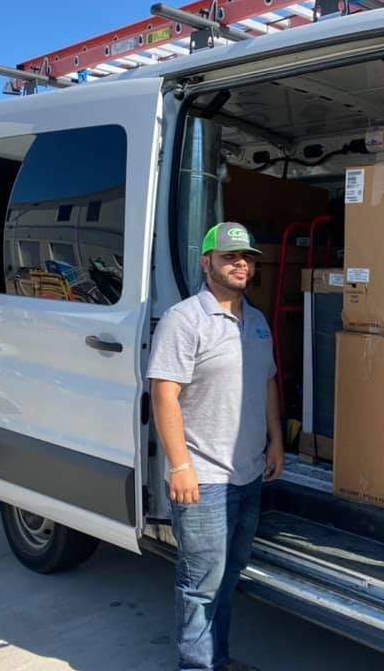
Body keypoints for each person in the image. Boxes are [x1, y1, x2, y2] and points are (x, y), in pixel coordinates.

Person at [147, 221, 284, 671]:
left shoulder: (258, 322)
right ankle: (198, 666)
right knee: (200, 585)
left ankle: (217, 659)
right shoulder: (184, 320)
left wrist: (276, 442)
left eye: (247, 257)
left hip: (247, 474)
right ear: (207, 262)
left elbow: (267, 384)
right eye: (229, 256)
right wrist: (180, 466)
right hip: (204, 480)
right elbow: (164, 393)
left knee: (227, 579)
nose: (241, 263)